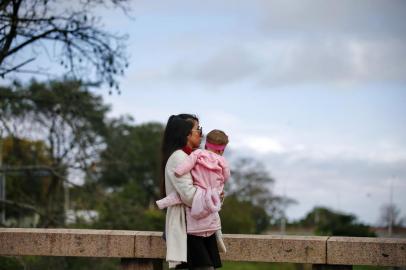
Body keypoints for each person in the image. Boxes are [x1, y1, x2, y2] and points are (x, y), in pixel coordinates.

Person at [160, 114, 222, 270]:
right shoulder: (178, 157)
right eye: (198, 129)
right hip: (187, 226)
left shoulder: (194, 156)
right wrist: (212, 195)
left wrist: (215, 192)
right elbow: (189, 196)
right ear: (186, 133)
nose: (201, 133)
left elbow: (206, 186)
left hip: (198, 225)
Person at [157, 129, 230, 254]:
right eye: (197, 129)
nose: (200, 133)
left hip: (200, 190)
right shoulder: (221, 160)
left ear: (207, 145)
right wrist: (221, 185)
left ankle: (162, 203)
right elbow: (226, 174)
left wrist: (178, 171)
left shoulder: (197, 154)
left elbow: (187, 166)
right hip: (208, 195)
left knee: (176, 197)